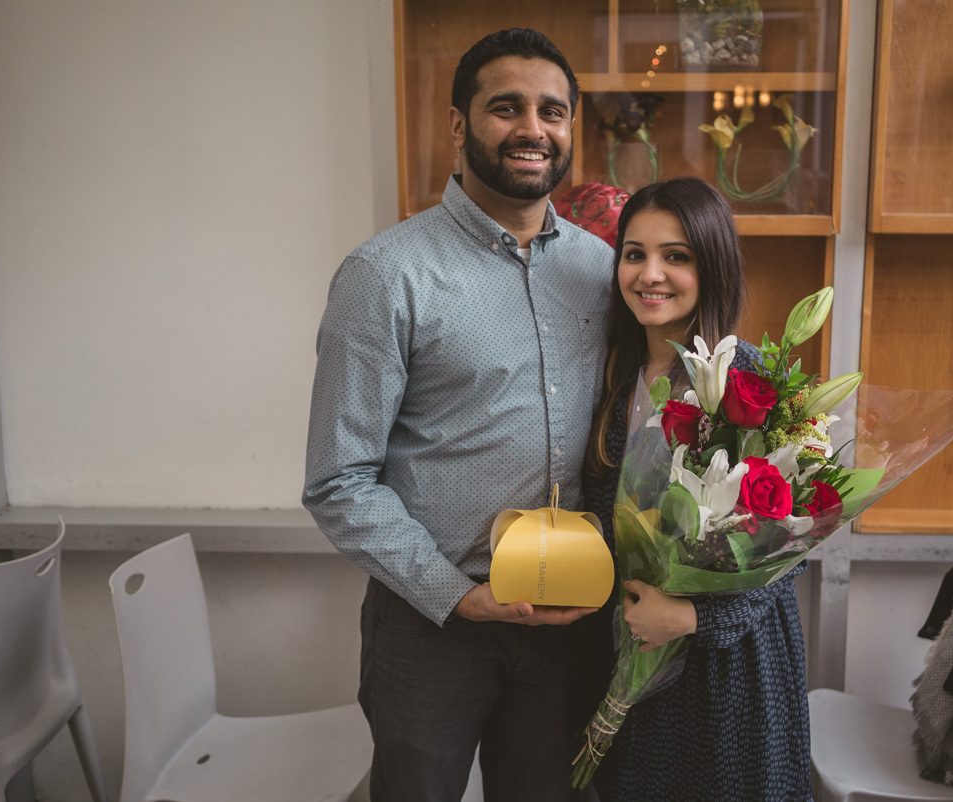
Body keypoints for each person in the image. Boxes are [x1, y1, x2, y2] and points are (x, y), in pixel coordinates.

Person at [303, 28, 613, 802]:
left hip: (566, 621)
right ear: (458, 125)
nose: (533, 130)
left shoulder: (602, 270)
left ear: (571, 127)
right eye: (506, 108)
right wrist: (456, 595)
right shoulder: (386, 274)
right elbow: (338, 481)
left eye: (553, 111)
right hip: (430, 624)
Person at [582, 176, 812, 801]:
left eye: (675, 256)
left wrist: (689, 616)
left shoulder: (750, 378)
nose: (650, 273)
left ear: (711, 265)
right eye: (635, 253)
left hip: (727, 666)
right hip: (633, 653)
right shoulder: (613, 374)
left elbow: (788, 541)